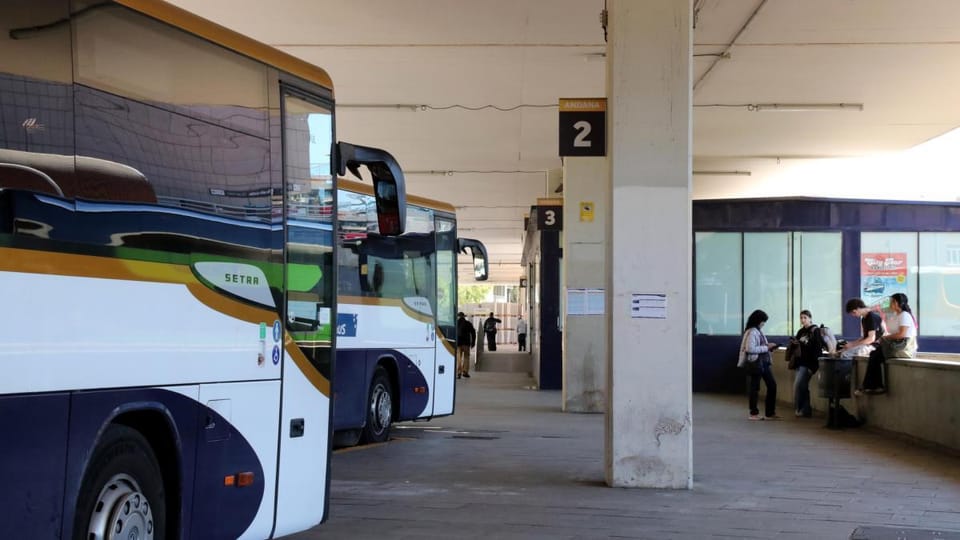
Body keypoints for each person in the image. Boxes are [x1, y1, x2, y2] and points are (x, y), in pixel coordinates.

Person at [737, 309, 780, 420]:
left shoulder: (757, 331)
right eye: (763, 321)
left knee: (771, 385)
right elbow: (750, 348)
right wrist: (766, 347)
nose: (764, 323)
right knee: (755, 388)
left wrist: (768, 345)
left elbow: (758, 345)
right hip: (756, 362)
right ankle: (754, 413)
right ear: (758, 320)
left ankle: (769, 412)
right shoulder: (752, 332)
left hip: (763, 362)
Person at [841, 298, 886, 394]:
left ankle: (846, 380)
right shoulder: (864, 319)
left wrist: (852, 345)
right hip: (870, 344)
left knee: (846, 355)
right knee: (844, 352)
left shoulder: (872, 317)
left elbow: (871, 339)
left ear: (857, 308)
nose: (854, 315)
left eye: (853, 312)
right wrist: (850, 344)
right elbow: (864, 337)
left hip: (875, 346)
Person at [791, 310, 821, 418]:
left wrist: (813, 367)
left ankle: (800, 408)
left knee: (798, 385)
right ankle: (805, 410)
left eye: (805, 317)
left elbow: (817, 350)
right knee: (803, 386)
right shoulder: (800, 332)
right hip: (800, 363)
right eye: (801, 318)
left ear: (810, 318)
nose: (803, 320)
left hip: (808, 364)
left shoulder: (815, 331)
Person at [878, 293, 918, 359]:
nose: (889, 304)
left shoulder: (905, 315)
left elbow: (901, 334)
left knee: (877, 354)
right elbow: (889, 330)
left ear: (896, 303)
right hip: (897, 343)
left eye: (891, 302)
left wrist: (886, 337)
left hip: (905, 346)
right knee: (875, 354)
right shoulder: (895, 315)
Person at [455, 312, 476, 378]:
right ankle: (465, 372)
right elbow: (473, 333)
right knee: (466, 357)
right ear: (464, 316)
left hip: (458, 343)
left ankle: (458, 372)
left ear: (458, 316)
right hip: (466, 343)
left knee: (459, 358)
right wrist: (473, 342)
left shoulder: (455, 323)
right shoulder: (468, 323)